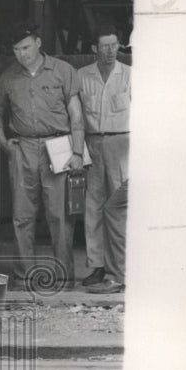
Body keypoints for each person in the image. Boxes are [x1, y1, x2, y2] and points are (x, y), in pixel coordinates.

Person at [0, 21, 84, 289]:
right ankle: (23, 277)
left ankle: (64, 278)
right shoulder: (8, 77)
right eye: (17, 49)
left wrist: (76, 151)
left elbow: (76, 113)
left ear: (39, 43)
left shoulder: (63, 71)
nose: (23, 54)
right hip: (23, 149)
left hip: (59, 146)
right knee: (22, 216)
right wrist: (4, 142)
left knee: (60, 216)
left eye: (27, 47)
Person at [77, 25, 130, 292]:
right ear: (94, 49)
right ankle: (97, 266)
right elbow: (75, 117)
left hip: (122, 144)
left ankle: (119, 267)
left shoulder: (130, 75)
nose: (111, 51)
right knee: (94, 207)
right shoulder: (82, 76)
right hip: (93, 144)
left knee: (118, 207)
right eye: (105, 46)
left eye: (114, 45)